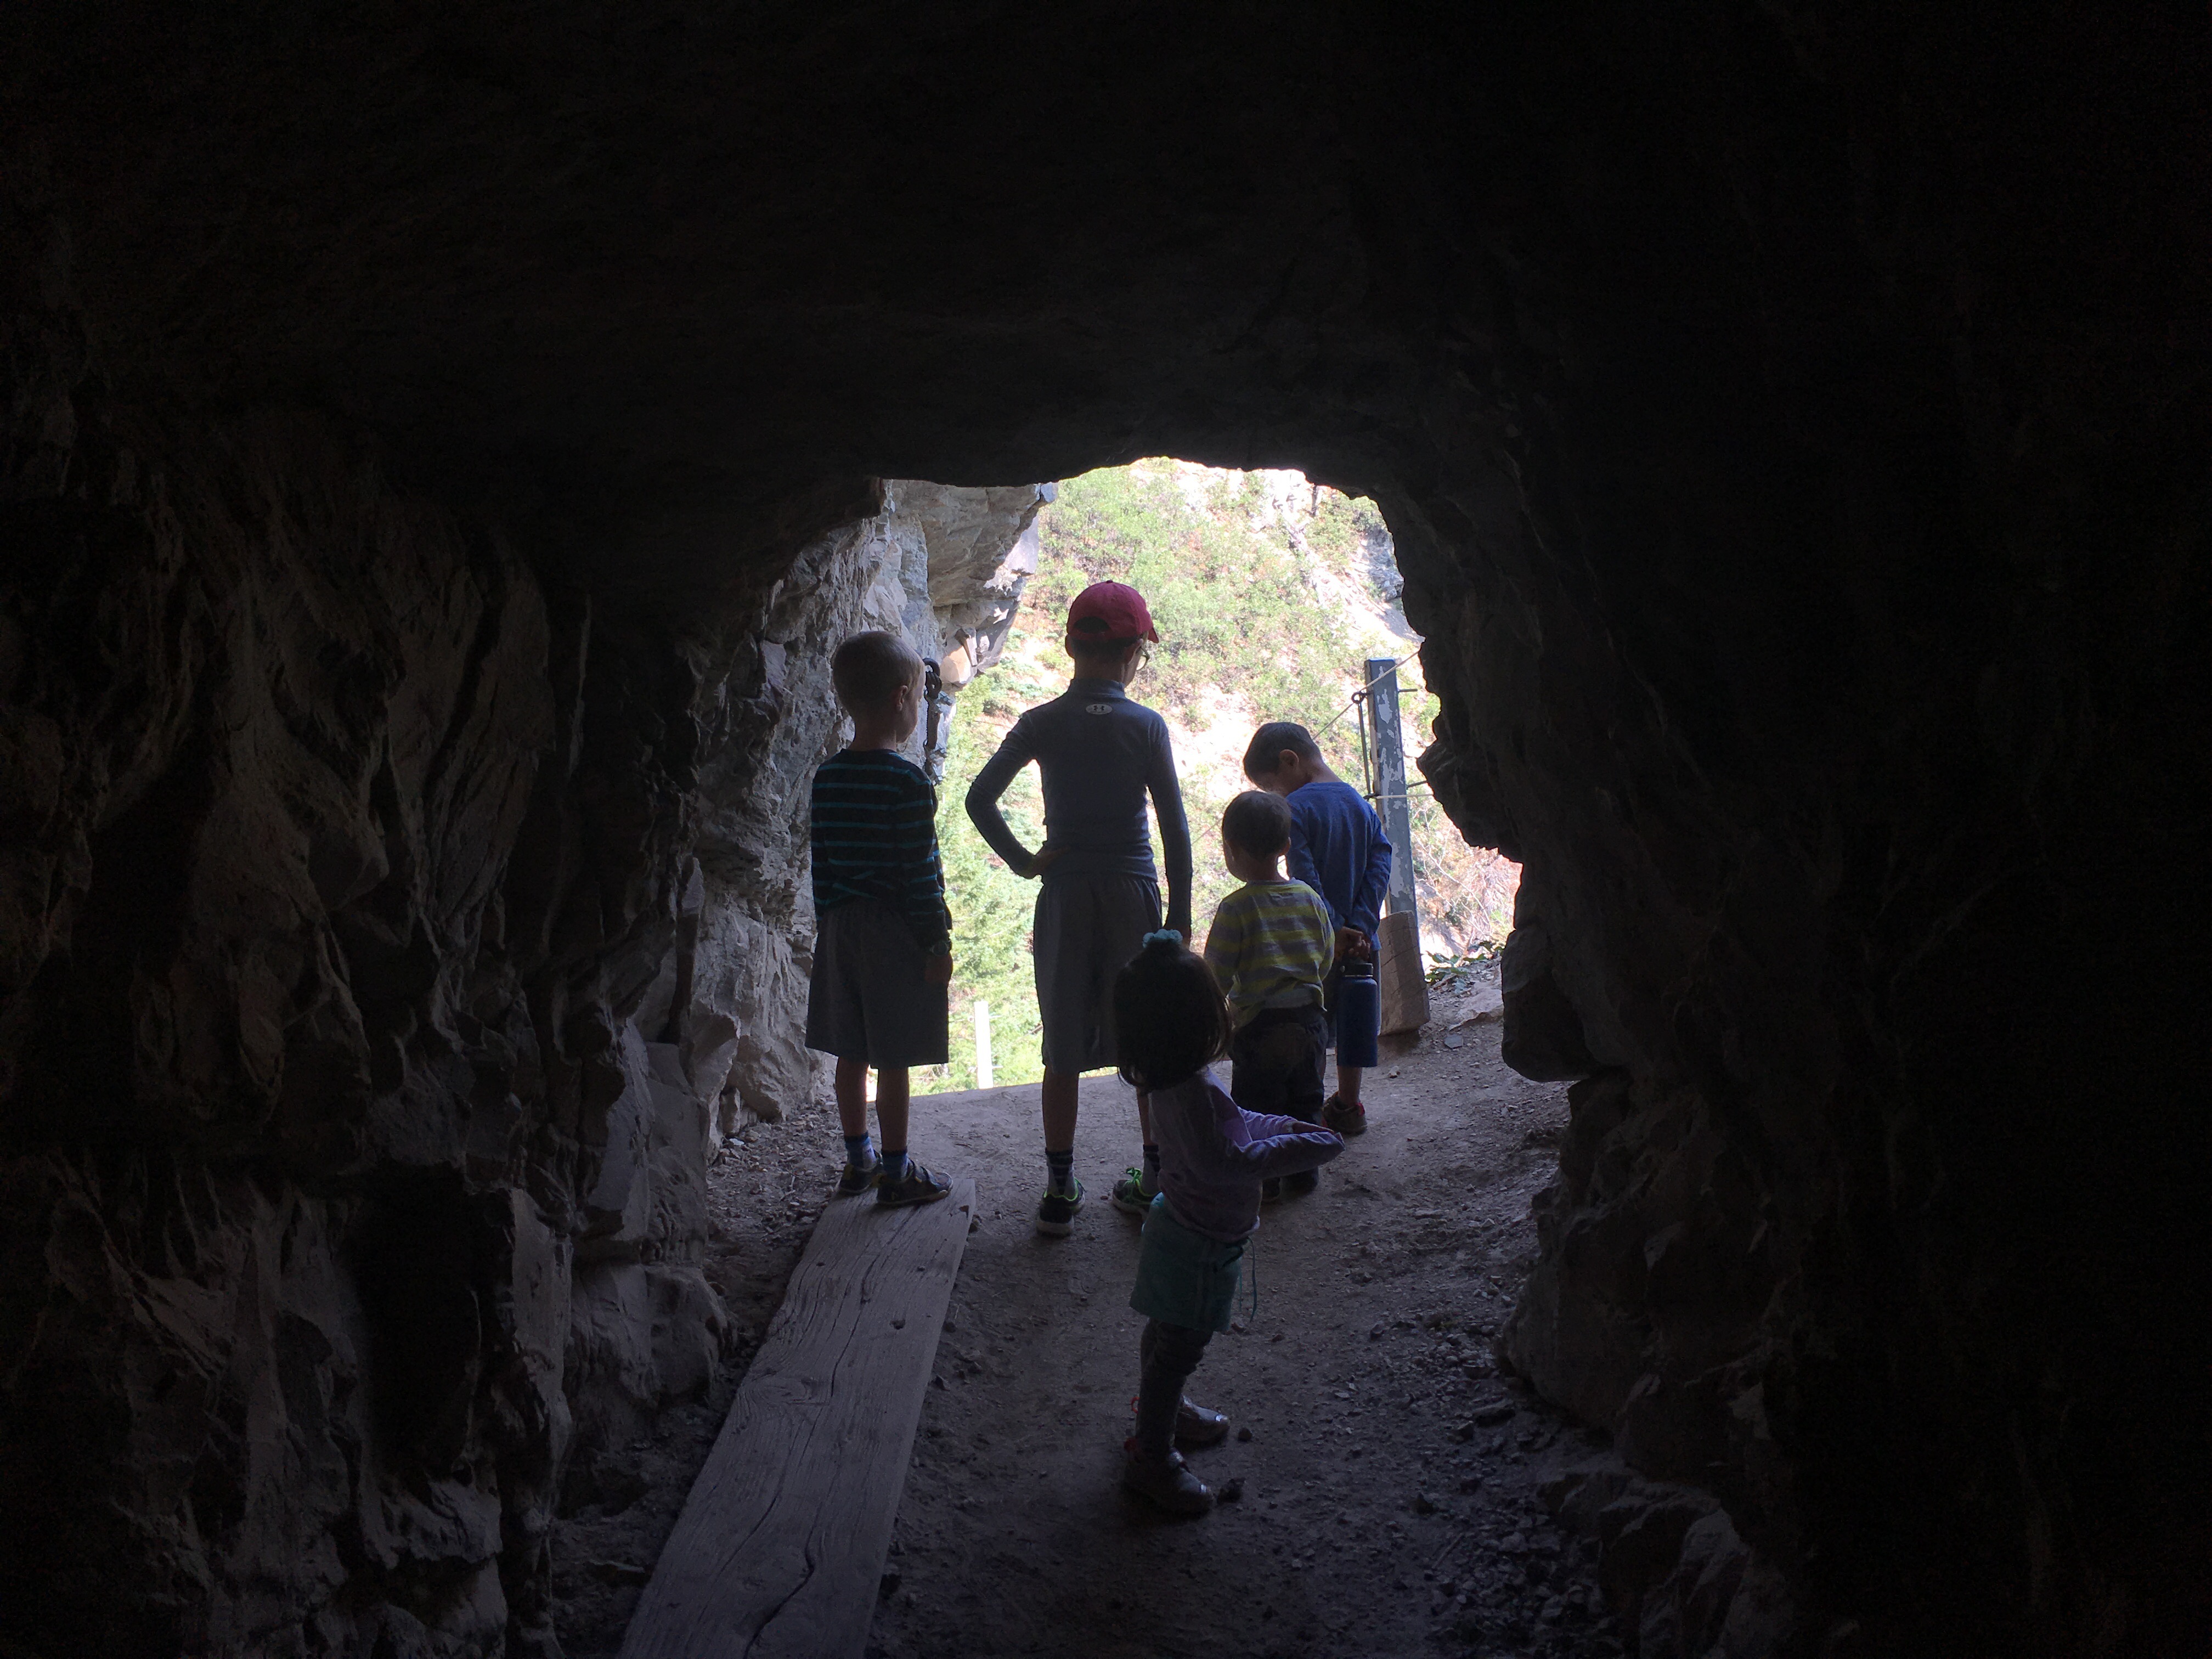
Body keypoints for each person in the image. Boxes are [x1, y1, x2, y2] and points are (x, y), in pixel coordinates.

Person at [966, 582, 1193, 1237]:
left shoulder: (1042, 722)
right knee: (1144, 1038)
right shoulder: (1146, 726)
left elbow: (979, 800)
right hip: (1133, 893)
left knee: (1062, 1042)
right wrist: (1179, 917)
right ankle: (1153, 1181)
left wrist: (1025, 861)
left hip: (1065, 893)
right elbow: (1174, 828)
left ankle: (1060, 1191)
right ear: (1134, 654)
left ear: (1070, 648)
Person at [1111, 930, 1343, 1514]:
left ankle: (1164, 1413)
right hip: (1200, 1245)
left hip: (1178, 1227)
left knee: (1164, 1334)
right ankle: (1152, 1457)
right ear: (1199, 1023)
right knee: (1178, 1349)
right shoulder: (1189, 1090)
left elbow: (1234, 1121)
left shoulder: (1176, 1080)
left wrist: (1288, 1128)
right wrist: (1300, 1149)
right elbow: (1228, 1161)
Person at [804, 631, 956, 1207]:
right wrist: (935, 942)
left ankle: (857, 1162)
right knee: (894, 1058)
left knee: (852, 1051)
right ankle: (897, 1174)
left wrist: (827, 929)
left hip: (840, 927)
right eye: (918, 696)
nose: (919, 707)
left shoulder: (828, 777)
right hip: (893, 932)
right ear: (900, 699)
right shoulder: (907, 782)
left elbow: (822, 865)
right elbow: (919, 874)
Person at [1243, 720, 1391, 1137]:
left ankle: (1307, 1110)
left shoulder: (1295, 809)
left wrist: (1333, 930)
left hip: (1318, 945)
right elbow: (1381, 862)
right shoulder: (1359, 803)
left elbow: (1305, 879)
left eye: (1271, 786)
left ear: (1289, 761)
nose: (1276, 796)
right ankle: (1349, 1104)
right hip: (1362, 943)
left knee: (1312, 1028)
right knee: (1355, 1021)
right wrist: (1360, 925)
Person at [1203, 791, 1337, 1202]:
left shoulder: (1236, 908)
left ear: (1231, 849)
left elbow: (1216, 973)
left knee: (1259, 1107)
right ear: (1286, 846)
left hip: (1259, 1026)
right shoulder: (1310, 898)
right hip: (1310, 1021)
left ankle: (1265, 1182)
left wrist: (1219, 1014)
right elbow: (1325, 957)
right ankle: (1304, 1174)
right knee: (1306, 1098)